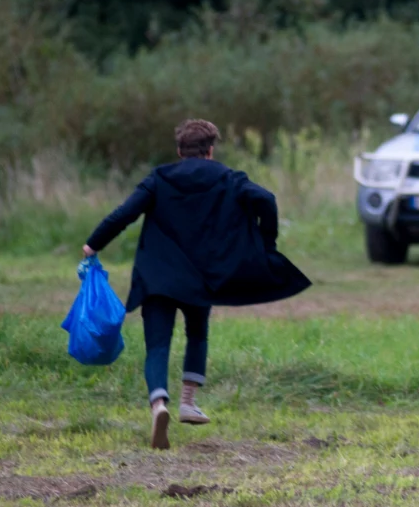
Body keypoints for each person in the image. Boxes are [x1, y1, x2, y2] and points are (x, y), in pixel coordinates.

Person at [82, 119, 311, 450]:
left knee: (157, 343)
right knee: (197, 333)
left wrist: (93, 244)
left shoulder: (160, 178)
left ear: (179, 150)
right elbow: (266, 199)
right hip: (201, 276)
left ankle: (159, 405)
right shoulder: (228, 178)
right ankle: (188, 402)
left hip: (157, 275)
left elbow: (124, 214)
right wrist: (266, 244)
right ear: (210, 150)